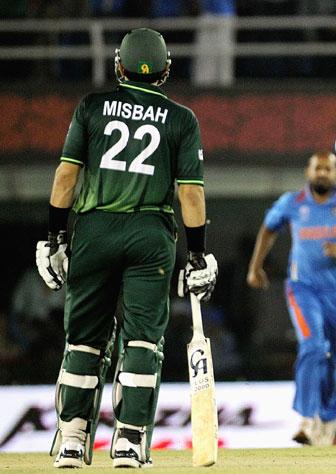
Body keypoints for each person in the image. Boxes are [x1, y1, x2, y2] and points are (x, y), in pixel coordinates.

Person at [35, 28, 218, 469]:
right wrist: (197, 254)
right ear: (165, 71)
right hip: (150, 236)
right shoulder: (181, 118)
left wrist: (54, 238)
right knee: (142, 340)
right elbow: (190, 196)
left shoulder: (91, 108)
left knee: (83, 340)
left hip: (93, 230)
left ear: (118, 66)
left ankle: (74, 440)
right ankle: (130, 443)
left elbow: (64, 178)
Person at [246, 151, 336, 447]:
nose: (322, 173)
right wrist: (255, 266)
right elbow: (268, 229)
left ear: (335, 173)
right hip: (302, 289)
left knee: (332, 358)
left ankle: (325, 418)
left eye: (328, 169)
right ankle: (306, 417)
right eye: (318, 168)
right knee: (313, 347)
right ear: (308, 172)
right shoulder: (293, 203)